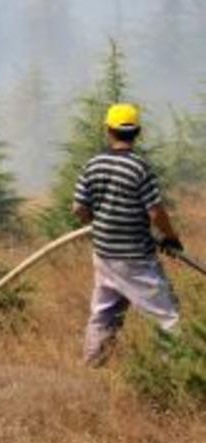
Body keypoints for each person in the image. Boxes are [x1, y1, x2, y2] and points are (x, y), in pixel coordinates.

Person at [72, 103, 183, 367]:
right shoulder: (139, 167)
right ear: (138, 132)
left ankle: (92, 366)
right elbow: (155, 212)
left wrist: (98, 223)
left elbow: (79, 208)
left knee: (103, 313)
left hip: (103, 255)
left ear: (108, 130)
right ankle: (173, 374)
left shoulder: (93, 164)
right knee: (167, 318)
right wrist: (171, 238)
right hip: (135, 259)